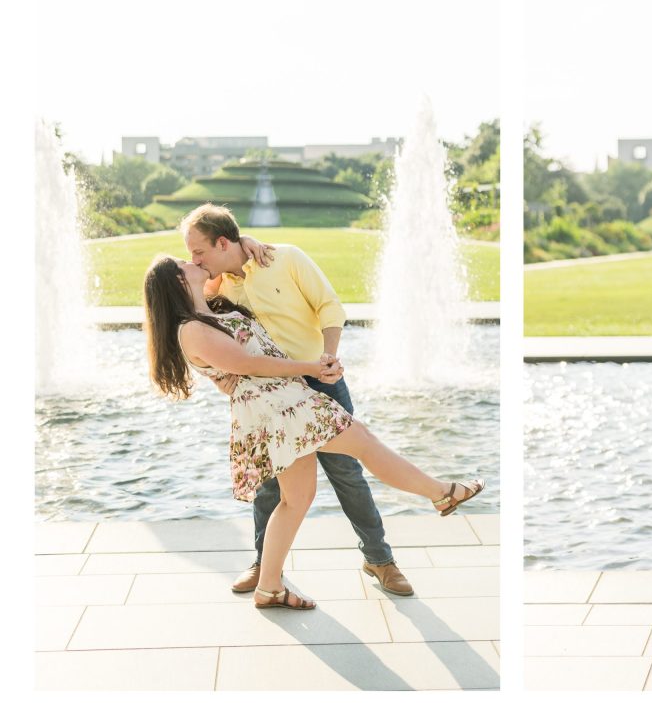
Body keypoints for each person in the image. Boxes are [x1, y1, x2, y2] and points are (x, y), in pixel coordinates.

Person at [143, 255, 484, 610]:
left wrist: (246, 244)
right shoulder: (191, 328)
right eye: (185, 263)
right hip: (278, 408)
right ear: (180, 282)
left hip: (283, 404)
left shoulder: (209, 309)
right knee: (362, 444)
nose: (194, 259)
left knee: (297, 499)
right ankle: (442, 493)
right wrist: (311, 368)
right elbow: (248, 365)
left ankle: (269, 587)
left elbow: (226, 271)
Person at [179, 202, 455, 598]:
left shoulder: (285, 258)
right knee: (270, 487)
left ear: (223, 241)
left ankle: (379, 559)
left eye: (199, 251)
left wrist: (327, 356)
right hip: (272, 400)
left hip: (320, 382)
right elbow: (203, 338)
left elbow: (330, 307)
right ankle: (264, 566)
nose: (195, 259)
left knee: (347, 472)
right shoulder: (216, 285)